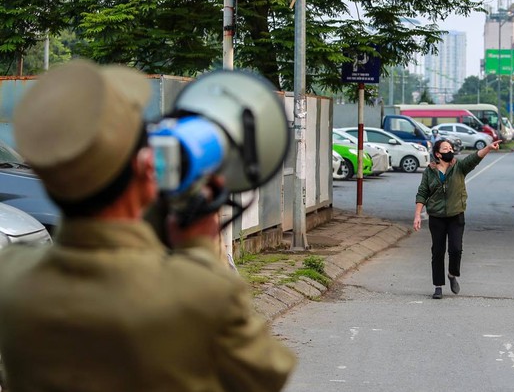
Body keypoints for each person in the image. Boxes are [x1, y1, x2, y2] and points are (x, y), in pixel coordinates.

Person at [0, 60, 295, 391]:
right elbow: (267, 373)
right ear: (145, 167)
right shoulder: (196, 294)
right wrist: (198, 247)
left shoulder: (12, 280)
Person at [413, 137, 502, 299]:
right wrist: (417, 215)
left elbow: (474, 158)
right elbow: (422, 193)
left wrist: (488, 148)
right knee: (438, 251)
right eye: (445, 149)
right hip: (436, 217)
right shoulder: (429, 172)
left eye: (450, 148)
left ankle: (452, 274)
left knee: (456, 249)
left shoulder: (459, 167)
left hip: (456, 215)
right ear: (437, 154)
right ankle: (438, 286)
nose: (449, 151)